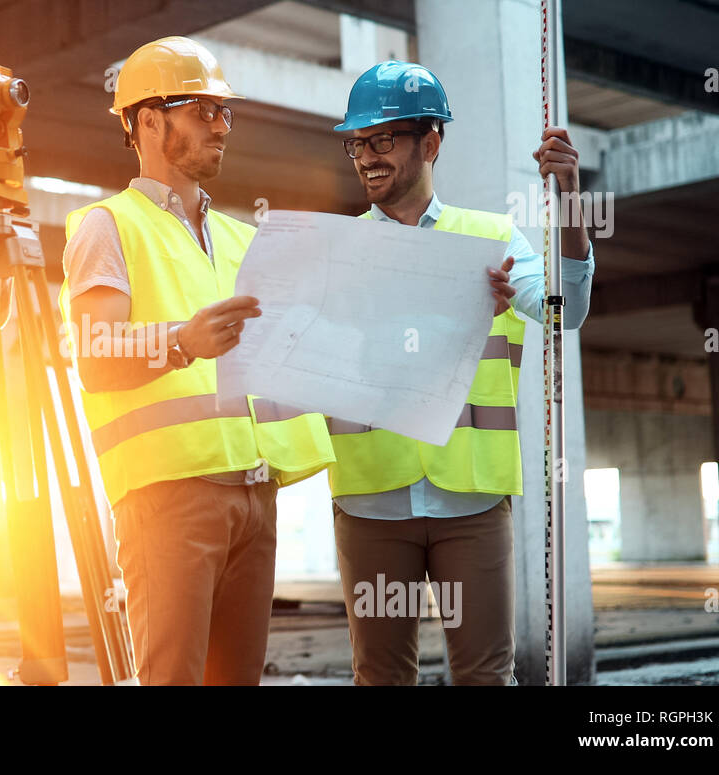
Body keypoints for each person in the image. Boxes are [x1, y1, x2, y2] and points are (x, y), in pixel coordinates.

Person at [60, 36, 335, 685]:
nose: (221, 123)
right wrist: (182, 341)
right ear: (148, 121)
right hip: (168, 499)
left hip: (254, 493)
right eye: (202, 108)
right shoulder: (108, 225)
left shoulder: (244, 239)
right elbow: (94, 354)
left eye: (225, 111)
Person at [327, 61, 595, 685]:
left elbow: (566, 312)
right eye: (357, 143)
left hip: (471, 501)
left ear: (432, 142)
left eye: (383, 139)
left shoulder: (492, 238)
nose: (366, 156)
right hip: (370, 501)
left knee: (484, 677)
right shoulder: (334, 254)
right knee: (381, 677)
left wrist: (570, 205)